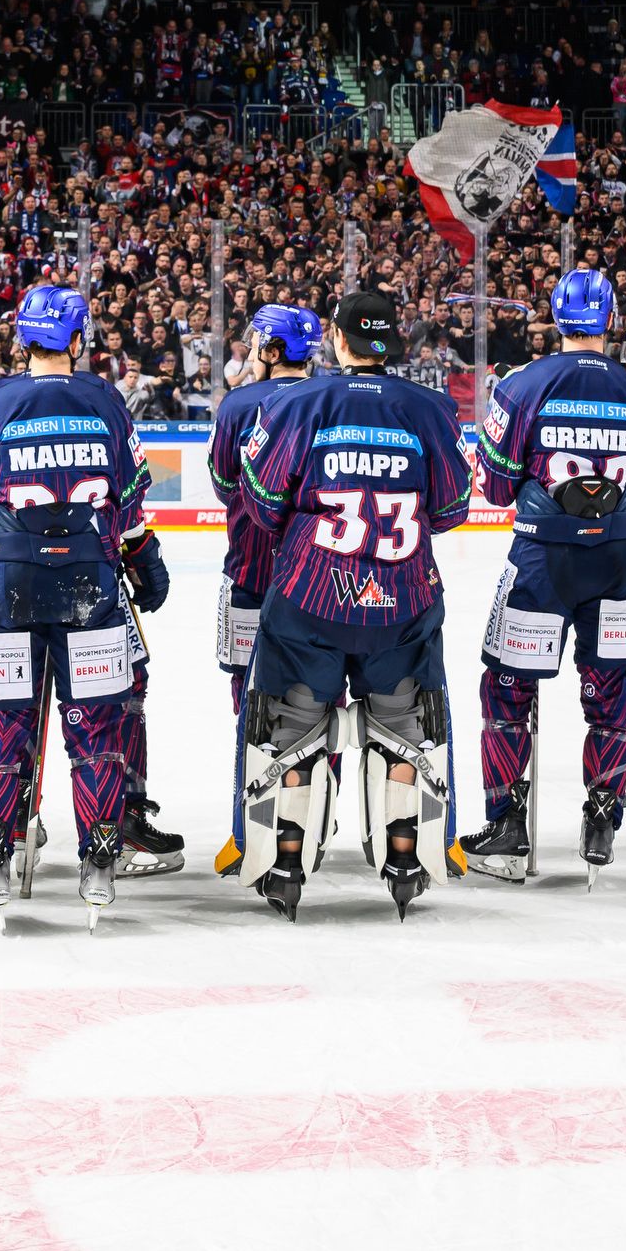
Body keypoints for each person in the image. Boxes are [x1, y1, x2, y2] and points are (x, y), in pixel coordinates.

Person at [231, 287, 472, 918]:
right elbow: (452, 509)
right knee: (401, 729)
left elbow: (261, 502)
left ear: (337, 339)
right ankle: (404, 856)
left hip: (308, 599)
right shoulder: (432, 409)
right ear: (394, 341)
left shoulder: (296, 403)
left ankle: (286, 861)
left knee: (294, 727)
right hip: (403, 601)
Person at [0, 281, 165, 920]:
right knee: (96, 727)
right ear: (77, 339)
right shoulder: (105, 400)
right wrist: (143, 560)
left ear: (23, 337)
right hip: (88, 584)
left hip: (7, 584)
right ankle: (98, 862)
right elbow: (130, 498)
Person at [462, 266, 626, 880]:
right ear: (611, 318)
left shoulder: (524, 384)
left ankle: (506, 825)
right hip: (619, 563)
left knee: (507, 690)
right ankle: (602, 818)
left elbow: (492, 484)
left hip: (543, 563)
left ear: (555, 316)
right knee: (612, 690)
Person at [203, 303, 319, 875]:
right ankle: (313, 819)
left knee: (249, 700)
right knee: (317, 699)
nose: (248, 352)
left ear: (273, 351)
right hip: (318, 583)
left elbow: (224, 482)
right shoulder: (328, 400)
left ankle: (256, 823)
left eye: (255, 344)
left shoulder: (238, 405)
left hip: (251, 575)